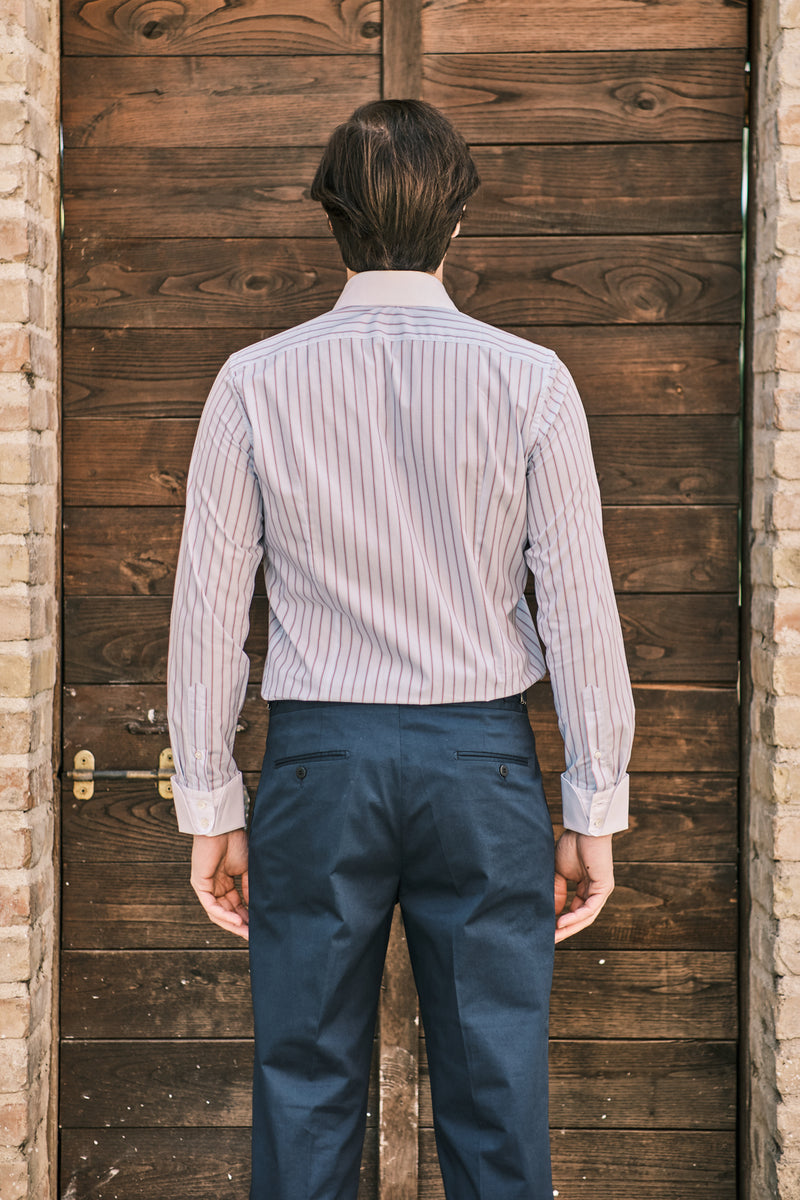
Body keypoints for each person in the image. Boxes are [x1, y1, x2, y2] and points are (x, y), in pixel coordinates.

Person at [167, 98, 635, 1200]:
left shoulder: (253, 381)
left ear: (330, 217)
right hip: (480, 766)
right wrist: (593, 807)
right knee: (494, 1081)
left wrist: (211, 804)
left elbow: (206, 610)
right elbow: (577, 606)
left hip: (319, 765)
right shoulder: (531, 381)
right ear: (458, 220)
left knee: (303, 1076)